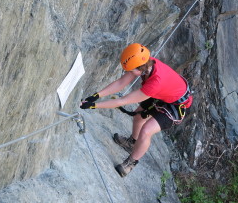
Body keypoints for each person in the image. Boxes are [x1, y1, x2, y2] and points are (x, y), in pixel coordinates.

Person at [80, 43, 192, 177]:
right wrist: (96, 96)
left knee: (146, 130)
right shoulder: (144, 64)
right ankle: (132, 143)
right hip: (165, 94)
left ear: (139, 69)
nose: (129, 73)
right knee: (139, 117)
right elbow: (121, 83)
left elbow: (122, 101)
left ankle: (130, 163)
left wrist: (94, 106)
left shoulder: (154, 82)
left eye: (131, 71)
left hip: (176, 105)